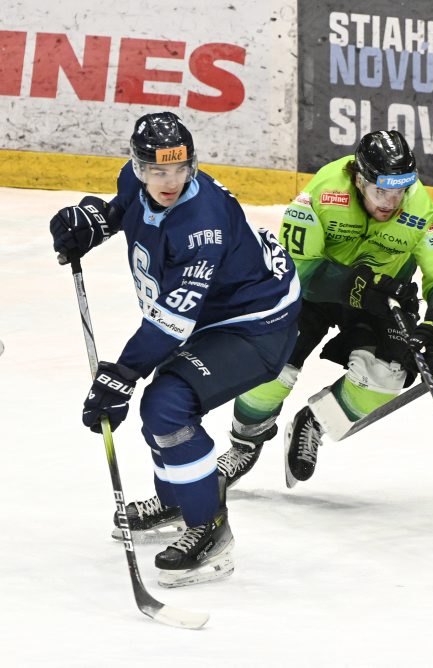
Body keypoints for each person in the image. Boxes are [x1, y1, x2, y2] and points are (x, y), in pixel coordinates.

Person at [49, 112, 301, 586]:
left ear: (193, 164)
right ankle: (176, 501)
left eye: (180, 169)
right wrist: (97, 223)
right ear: (138, 166)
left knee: (167, 405)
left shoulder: (201, 224)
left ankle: (209, 526)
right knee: (162, 409)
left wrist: (121, 374)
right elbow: (127, 209)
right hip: (211, 317)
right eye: (157, 170)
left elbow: (171, 321)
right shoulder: (135, 179)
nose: (170, 181)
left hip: (256, 325)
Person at [211, 130, 433, 493]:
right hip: (316, 292)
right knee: (270, 363)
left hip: (383, 296)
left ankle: (315, 420)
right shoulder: (319, 196)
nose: (391, 203)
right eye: (381, 192)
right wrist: (356, 287)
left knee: (387, 376)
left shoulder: (421, 209)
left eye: (399, 191)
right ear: (360, 179)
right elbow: (296, 270)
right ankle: (244, 444)